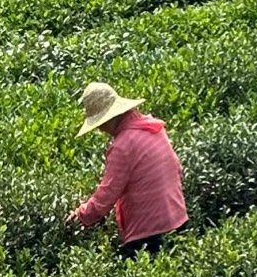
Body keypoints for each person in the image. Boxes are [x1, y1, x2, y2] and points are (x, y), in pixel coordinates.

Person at [67, 82, 188, 255]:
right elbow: (177, 168)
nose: (100, 129)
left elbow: (107, 195)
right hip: (179, 222)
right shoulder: (154, 127)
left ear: (111, 117)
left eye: (100, 123)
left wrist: (80, 216)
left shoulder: (123, 146)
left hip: (149, 236)